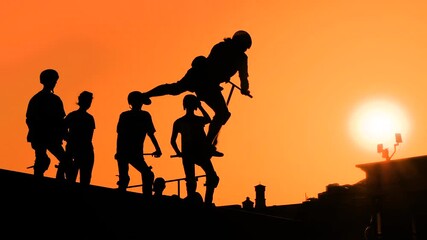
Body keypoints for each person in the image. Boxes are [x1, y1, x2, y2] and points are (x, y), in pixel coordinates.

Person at [143, 30, 253, 156]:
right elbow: (218, 66)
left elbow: (243, 76)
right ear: (238, 43)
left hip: (208, 83)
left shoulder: (233, 53)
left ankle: (208, 145)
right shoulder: (225, 49)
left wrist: (242, 87)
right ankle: (207, 145)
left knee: (221, 113)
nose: (244, 50)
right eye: (243, 47)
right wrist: (241, 87)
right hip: (202, 79)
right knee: (177, 89)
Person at [170, 94, 220, 207]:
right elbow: (208, 118)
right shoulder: (197, 120)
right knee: (211, 176)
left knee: (191, 179)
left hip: (188, 154)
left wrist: (179, 152)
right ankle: (206, 202)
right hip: (199, 153)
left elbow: (172, 141)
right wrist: (201, 107)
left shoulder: (179, 121)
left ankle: (194, 200)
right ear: (195, 105)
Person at [26, 69, 72, 180]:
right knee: (43, 160)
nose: (55, 83)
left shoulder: (51, 99)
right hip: (43, 137)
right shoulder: (42, 99)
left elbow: (61, 121)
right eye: (54, 80)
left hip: (50, 137)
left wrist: (64, 135)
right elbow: (30, 119)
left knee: (64, 160)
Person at [115, 91, 162, 198]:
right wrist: (158, 149)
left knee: (126, 177)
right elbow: (150, 134)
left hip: (128, 152)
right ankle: (146, 198)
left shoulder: (126, 115)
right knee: (146, 175)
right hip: (132, 153)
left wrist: (118, 152)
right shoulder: (144, 115)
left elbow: (120, 135)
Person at [64, 91, 95, 185]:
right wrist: (69, 139)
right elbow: (62, 129)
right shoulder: (86, 118)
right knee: (73, 177)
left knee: (83, 178)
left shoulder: (86, 117)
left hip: (83, 150)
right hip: (78, 149)